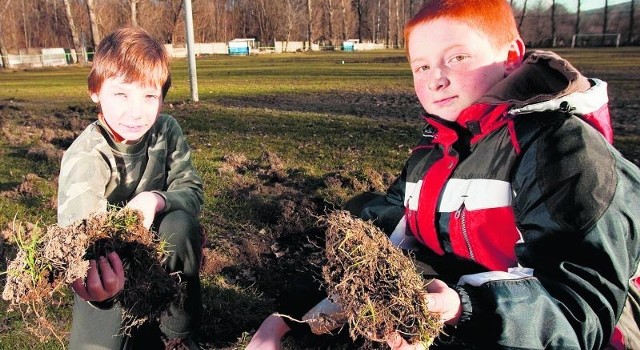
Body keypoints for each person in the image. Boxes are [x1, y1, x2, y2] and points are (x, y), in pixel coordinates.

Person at [247, 0, 640, 349]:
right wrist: (287, 317)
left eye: (457, 58)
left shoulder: (563, 150)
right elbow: (378, 239)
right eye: (422, 66)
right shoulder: (435, 149)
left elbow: (581, 314)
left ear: (511, 55)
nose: (436, 78)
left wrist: (461, 308)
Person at [57, 26, 204, 350]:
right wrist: (96, 288)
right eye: (121, 94)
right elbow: (76, 241)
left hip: (157, 246)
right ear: (96, 90)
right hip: (107, 261)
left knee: (180, 224)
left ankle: (176, 334)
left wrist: (154, 200)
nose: (136, 112)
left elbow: (192, 191)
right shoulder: (87, 156)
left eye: (149, 96)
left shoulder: (166, 131)